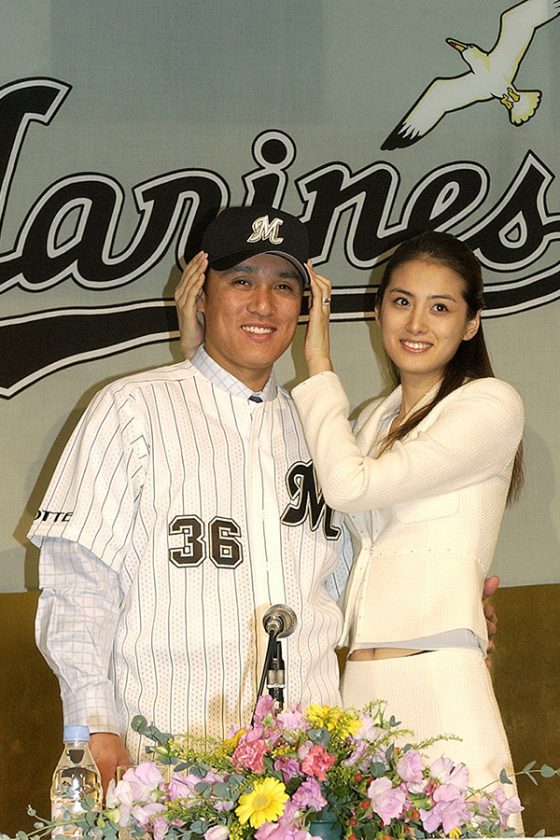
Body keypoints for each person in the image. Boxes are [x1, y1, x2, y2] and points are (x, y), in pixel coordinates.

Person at [29, 206, 353, 792]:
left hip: (311, 770)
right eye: (242, 280)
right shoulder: (133, 408)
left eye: (284, 286)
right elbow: (79, 582)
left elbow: (352, 587)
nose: (264, 304)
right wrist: (93, 723)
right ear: (201, 294)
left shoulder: (321, 429)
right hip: (169, 764)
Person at [290, 231, 524, 821]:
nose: (416, 323)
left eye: (440, 307)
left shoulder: (490, 404)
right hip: (359, 687)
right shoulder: (370, 421)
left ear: (471, 323)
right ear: (379, 310)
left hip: (440, 677)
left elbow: (349, 487)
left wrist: (318, 364)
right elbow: (342, 550)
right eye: (402, 301)